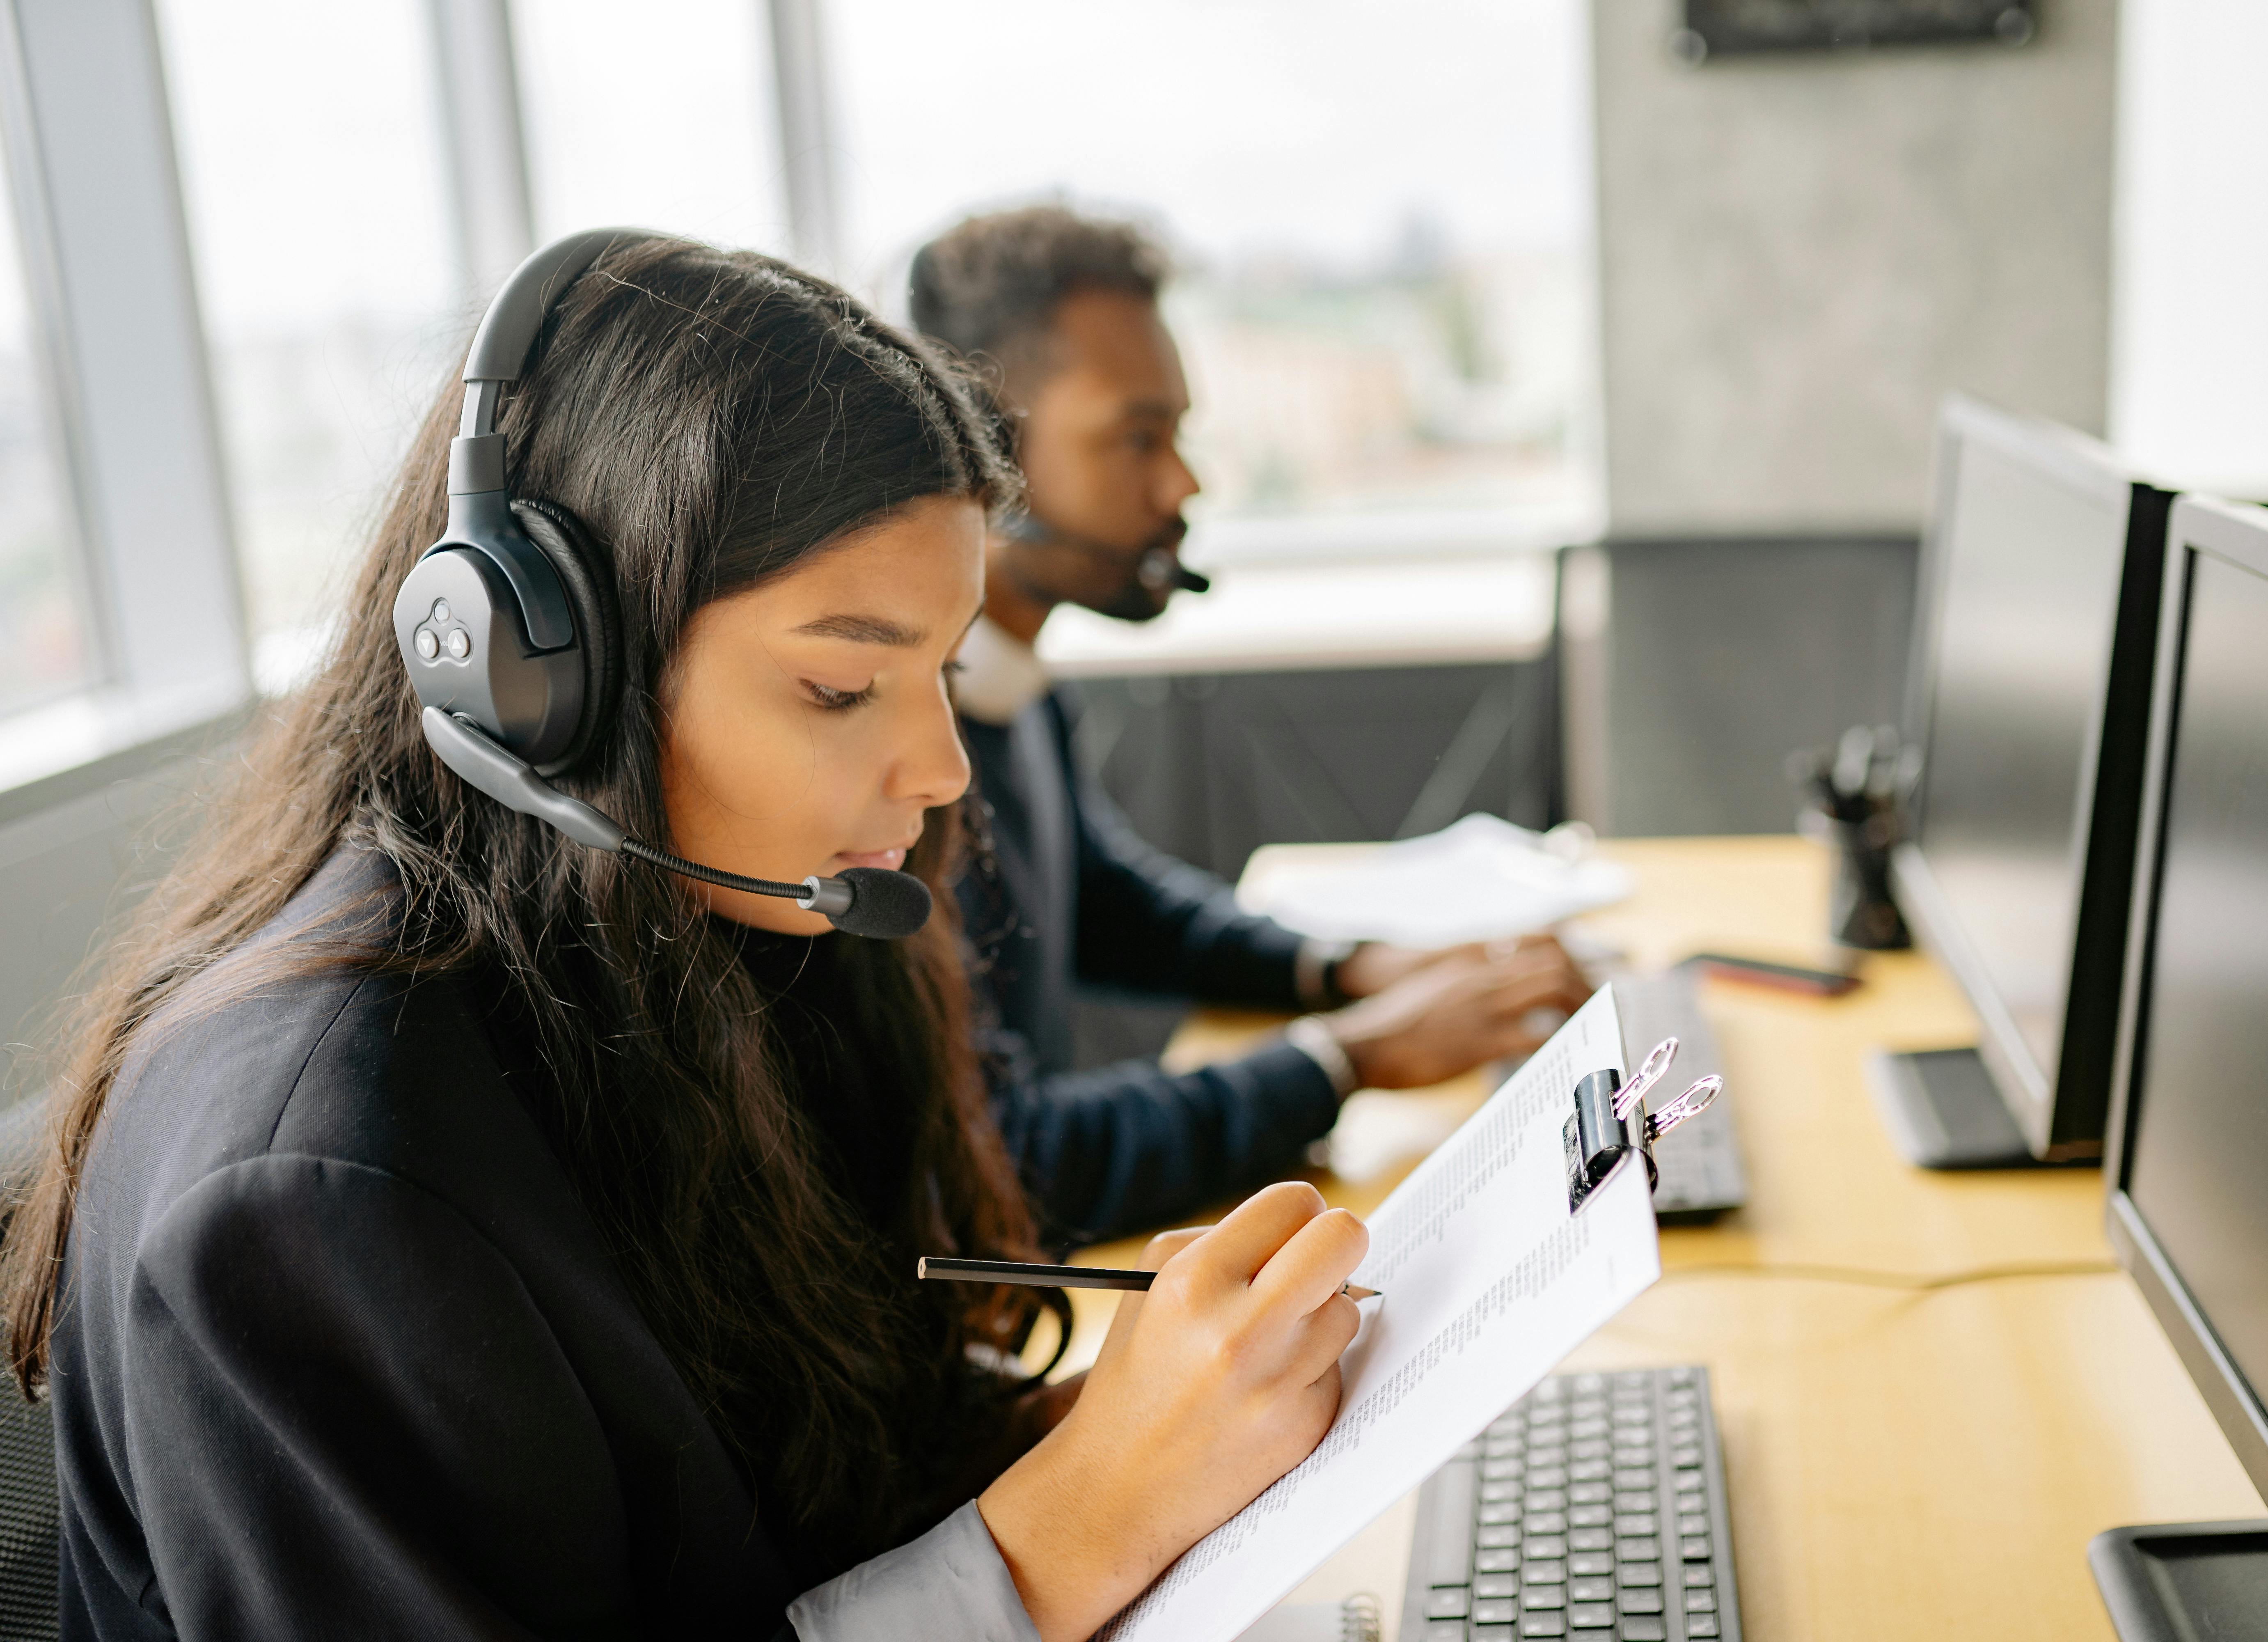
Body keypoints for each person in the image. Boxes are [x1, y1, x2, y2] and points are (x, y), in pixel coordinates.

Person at [1, 234, 1370, 1642]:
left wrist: (1133, 1424)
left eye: (940, 667)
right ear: (547, 678)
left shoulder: (721, 941)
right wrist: (1074, 1527)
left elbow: (780, 1519)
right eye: (843, 685)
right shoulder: (316, 1185)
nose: (944, 767)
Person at [907, 206, 1591, 1243]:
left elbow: (1106, 900)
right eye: (1138, 437)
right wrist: (1347, 1056)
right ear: (986, 450)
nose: (1184, 484)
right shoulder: (905, 766)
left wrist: (1348, 968)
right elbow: (1009, 1158)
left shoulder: (1010, 681)